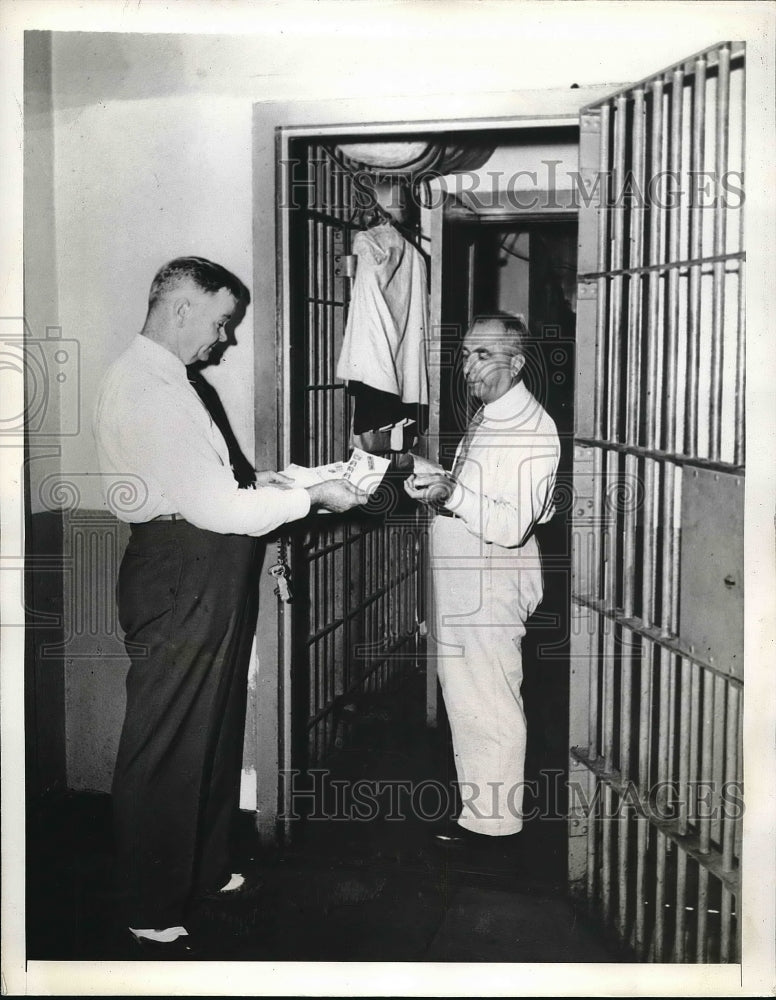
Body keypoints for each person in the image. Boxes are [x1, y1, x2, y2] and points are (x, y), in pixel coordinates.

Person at [94, 256, 366, 955]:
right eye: (220, 322)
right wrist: (312, 497)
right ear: (180, 309)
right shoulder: (148, 389)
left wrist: (277, 482)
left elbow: (212, 482)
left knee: (210, 729)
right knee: (168, 742)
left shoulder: (172, 383)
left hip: (204, 568)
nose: (225, 339)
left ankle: (205, 870)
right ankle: (148, 904)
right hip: (183, 570)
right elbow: (212, 504)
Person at [404, 313, 560, 849]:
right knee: (470, 695)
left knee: (490, 698)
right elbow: (478, 491)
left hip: (490, 581)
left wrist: (449, 494)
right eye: (466, 354)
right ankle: (482, 813)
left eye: (482, 356)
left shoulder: (533, 430)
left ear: (516, 363)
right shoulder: (494, 414)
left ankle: (494, 828)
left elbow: (512, 523)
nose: (467, 367)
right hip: (470, 580)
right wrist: (437, 479)